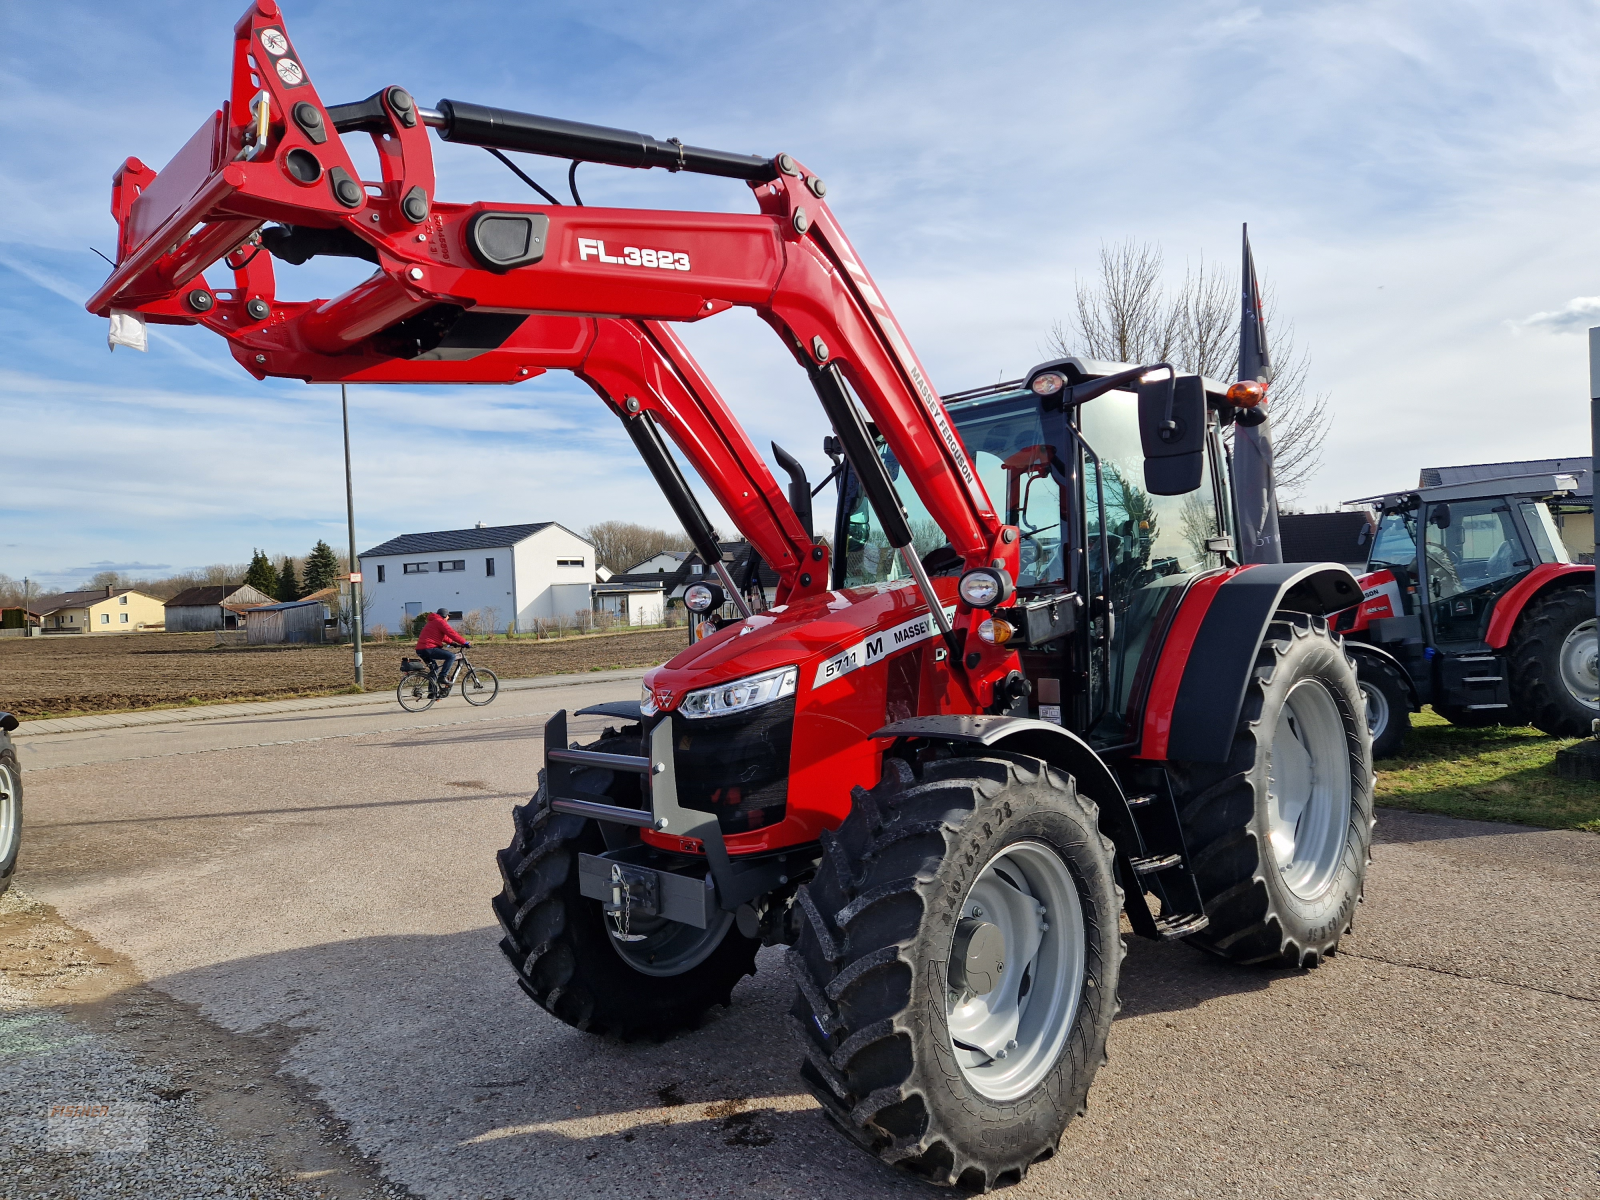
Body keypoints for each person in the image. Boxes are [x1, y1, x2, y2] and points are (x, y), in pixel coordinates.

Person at [415, 607, 469, 697]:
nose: (448, 618)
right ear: (444, 615)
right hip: (429, 648)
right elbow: (451, 633)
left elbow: (443, 636)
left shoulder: (433, 622)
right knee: (451, 656)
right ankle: (442, 677)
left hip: (421, 649)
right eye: (448, 616)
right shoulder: (440, 622)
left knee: (434, 669)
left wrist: (452, 643)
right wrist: (464, 642)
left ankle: (432, 693)